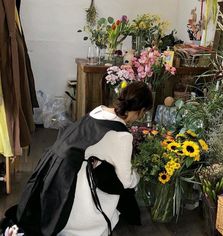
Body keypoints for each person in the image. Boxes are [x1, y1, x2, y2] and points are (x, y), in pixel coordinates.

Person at [1, 81, 153, 236]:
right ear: (141, 111)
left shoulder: (98, 111)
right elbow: (125, 180)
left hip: (53, 171)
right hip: (73, 184)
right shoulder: (122, 135)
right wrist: (138, 176)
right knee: (124, 183)